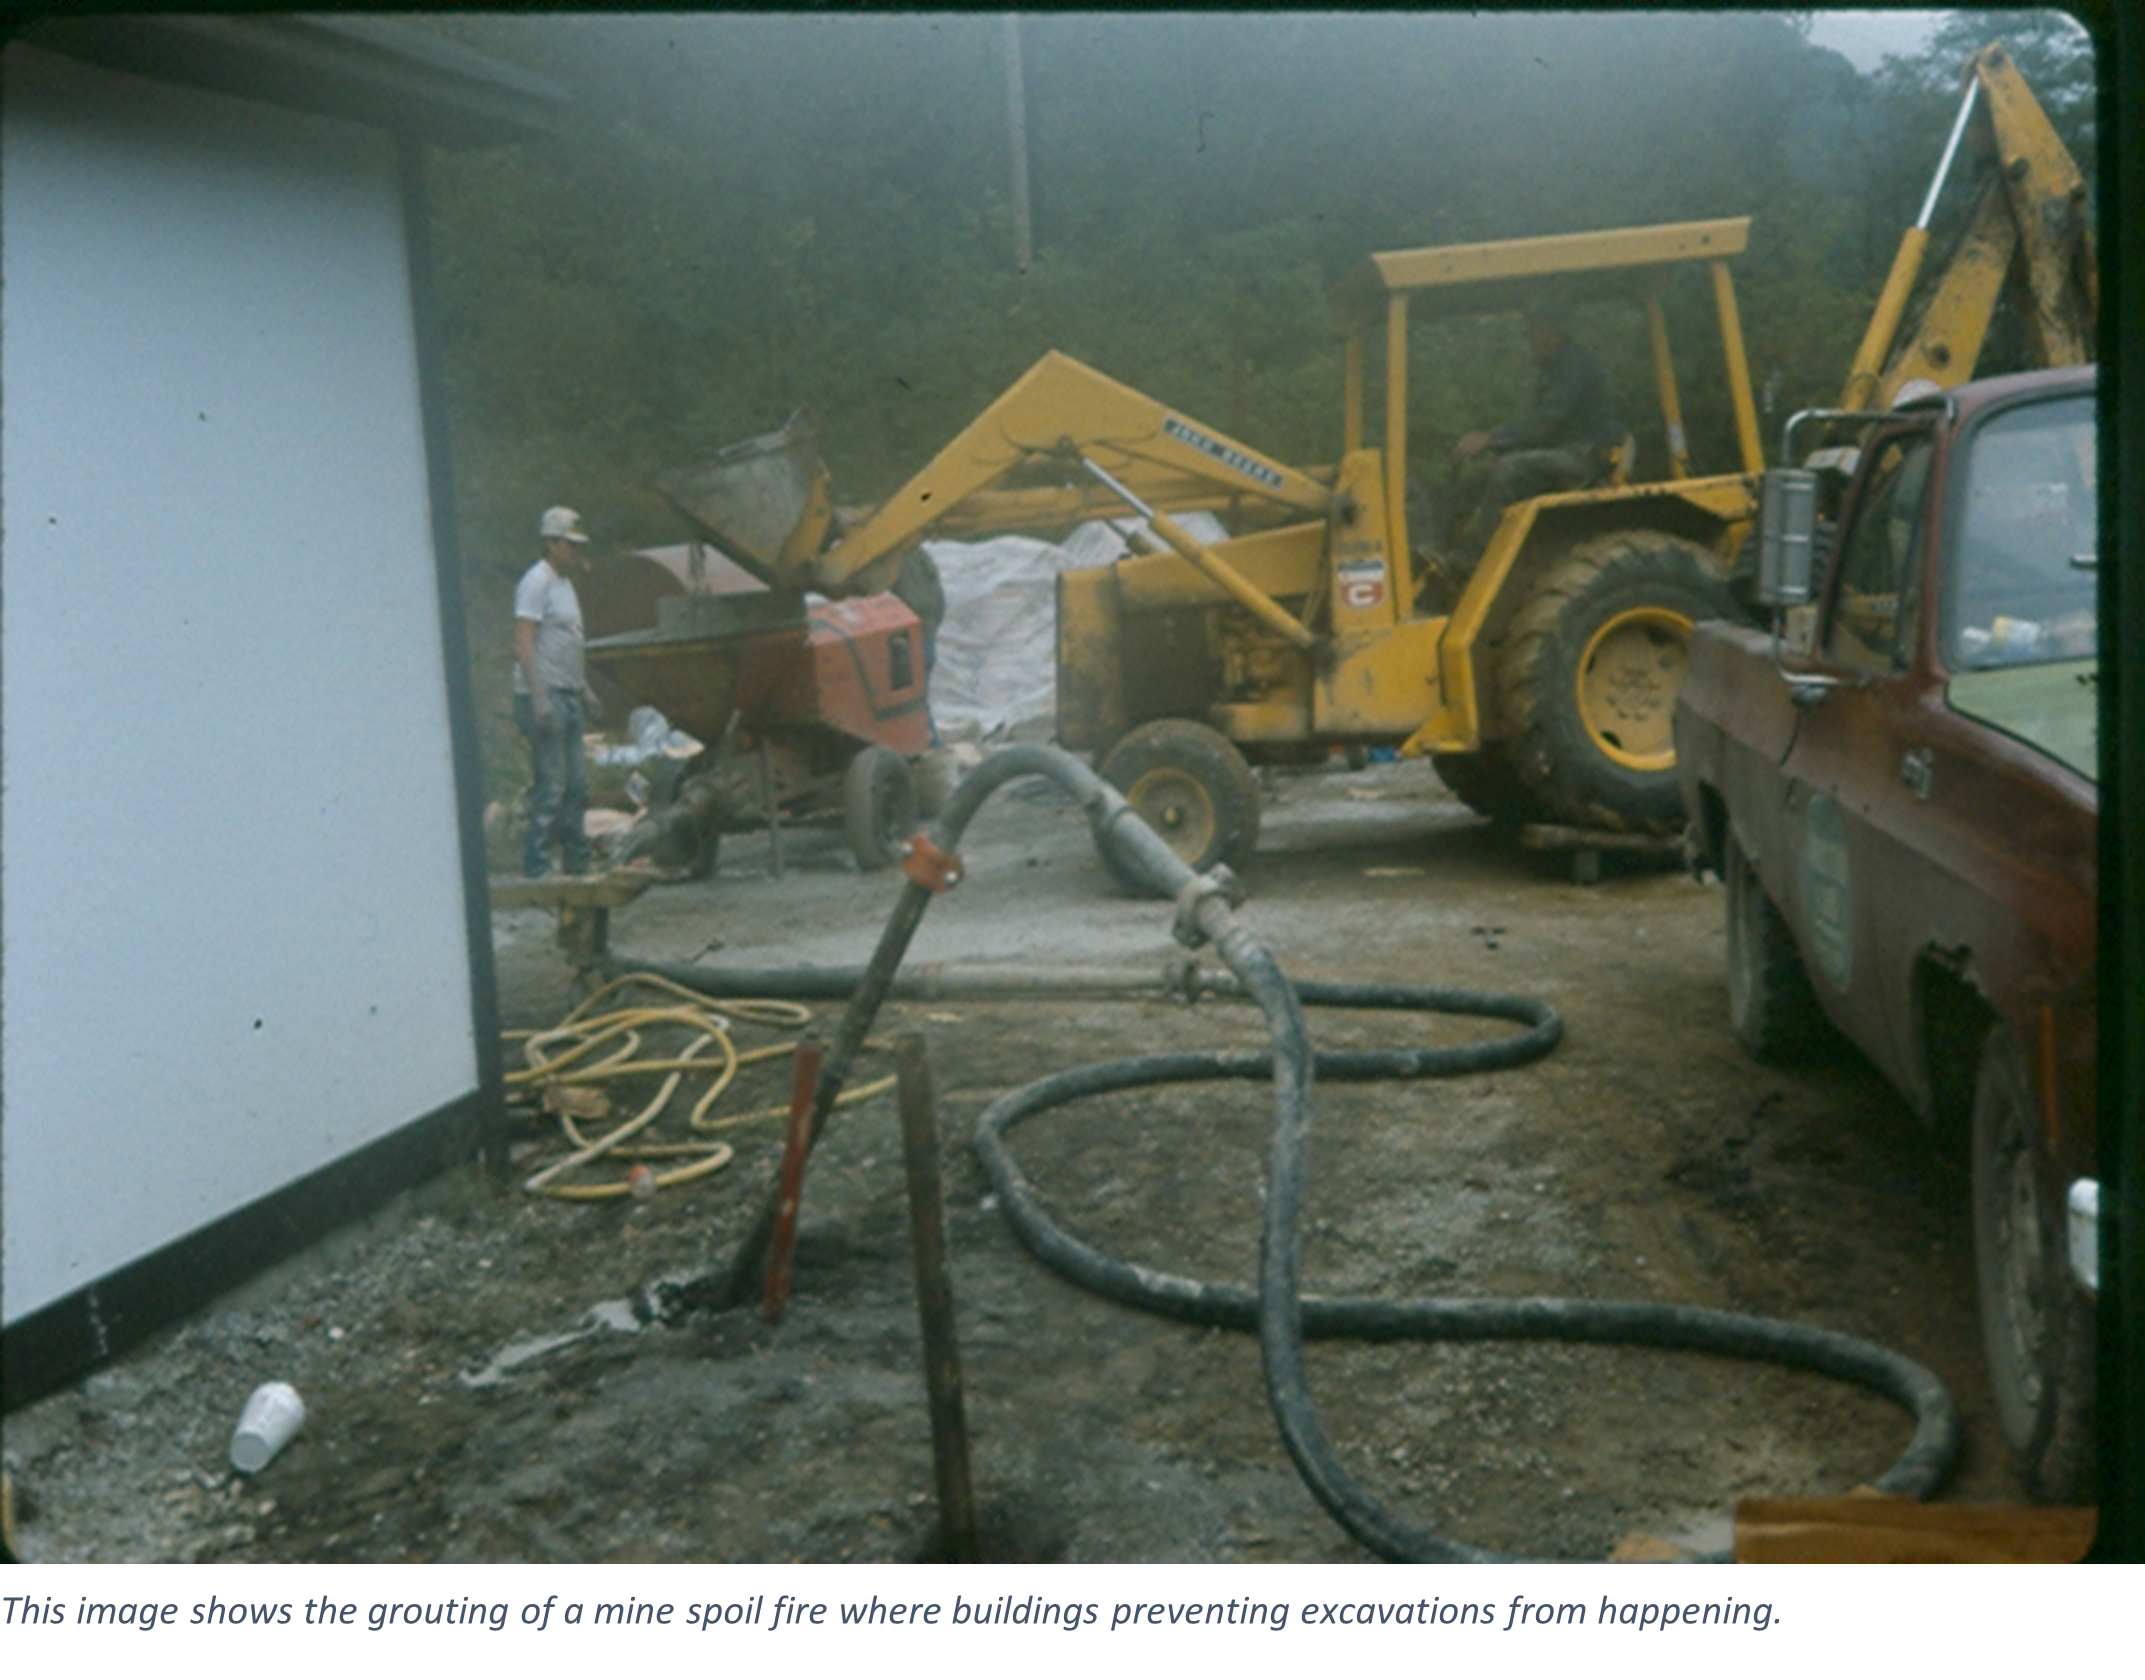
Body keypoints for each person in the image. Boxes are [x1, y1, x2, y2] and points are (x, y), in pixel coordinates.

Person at [1449, 298, 1624, 569]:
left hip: (1586, 456)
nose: (1529, 341)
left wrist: (1492, 438)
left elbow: (1545, 422)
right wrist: (1500, 446)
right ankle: (1452, 546)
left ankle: (1466, 563)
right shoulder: (1555, 368)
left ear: (1551, 332)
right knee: (1481, 476)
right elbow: (1543, 432)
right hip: (1565, 451)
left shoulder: (1573, 366)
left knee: (1511, 469)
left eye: (1533, 332)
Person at [513, 505, 602, 878]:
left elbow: (565, 644)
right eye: (570, 545)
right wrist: (538, 697)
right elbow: (523, 641)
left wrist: (585, 690)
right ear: (551, 544)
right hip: (545, 694)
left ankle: (577, 858)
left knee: (576, 783)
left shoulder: (565, 586)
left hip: (567, 693)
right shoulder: (537, 582)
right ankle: (537, 862)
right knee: (553, 783)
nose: (576, 552)